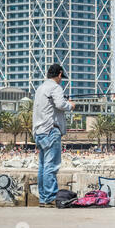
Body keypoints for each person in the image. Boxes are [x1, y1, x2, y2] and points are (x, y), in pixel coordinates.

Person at [33, 64, 76, 208]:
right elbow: (60, 104)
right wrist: (70, 105)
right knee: (51, 167)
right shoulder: (55, 87)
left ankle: (43, 198)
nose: (61, 80)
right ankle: (51, 197)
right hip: (51, 131)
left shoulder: (40, 88)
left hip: (39, 132)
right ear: (59, 74)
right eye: (61, 77)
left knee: (43, 166)